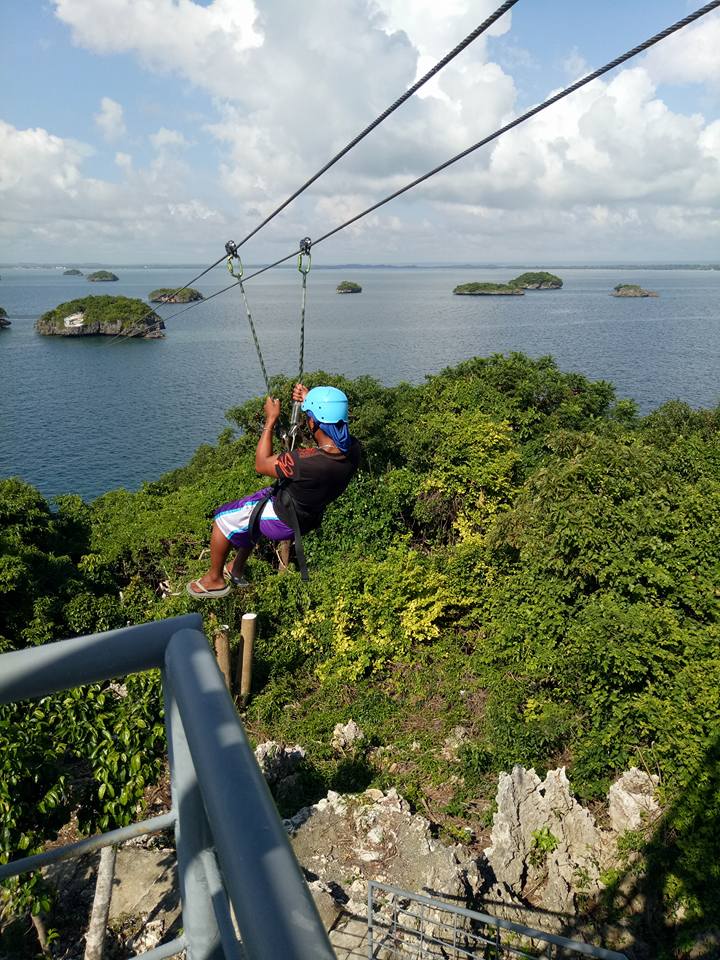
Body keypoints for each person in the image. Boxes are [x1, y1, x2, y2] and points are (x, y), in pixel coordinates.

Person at [186, 383, 360, 597]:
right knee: (251, 511)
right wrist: (309, 399)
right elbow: (330, 425)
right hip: (306, 516)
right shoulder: (353, 450)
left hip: (281, 519)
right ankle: (236, 567)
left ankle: (215, 579)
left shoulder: (304, 463)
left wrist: (270, 420)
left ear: (313, 422)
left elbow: (261, 464)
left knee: (223, 518)